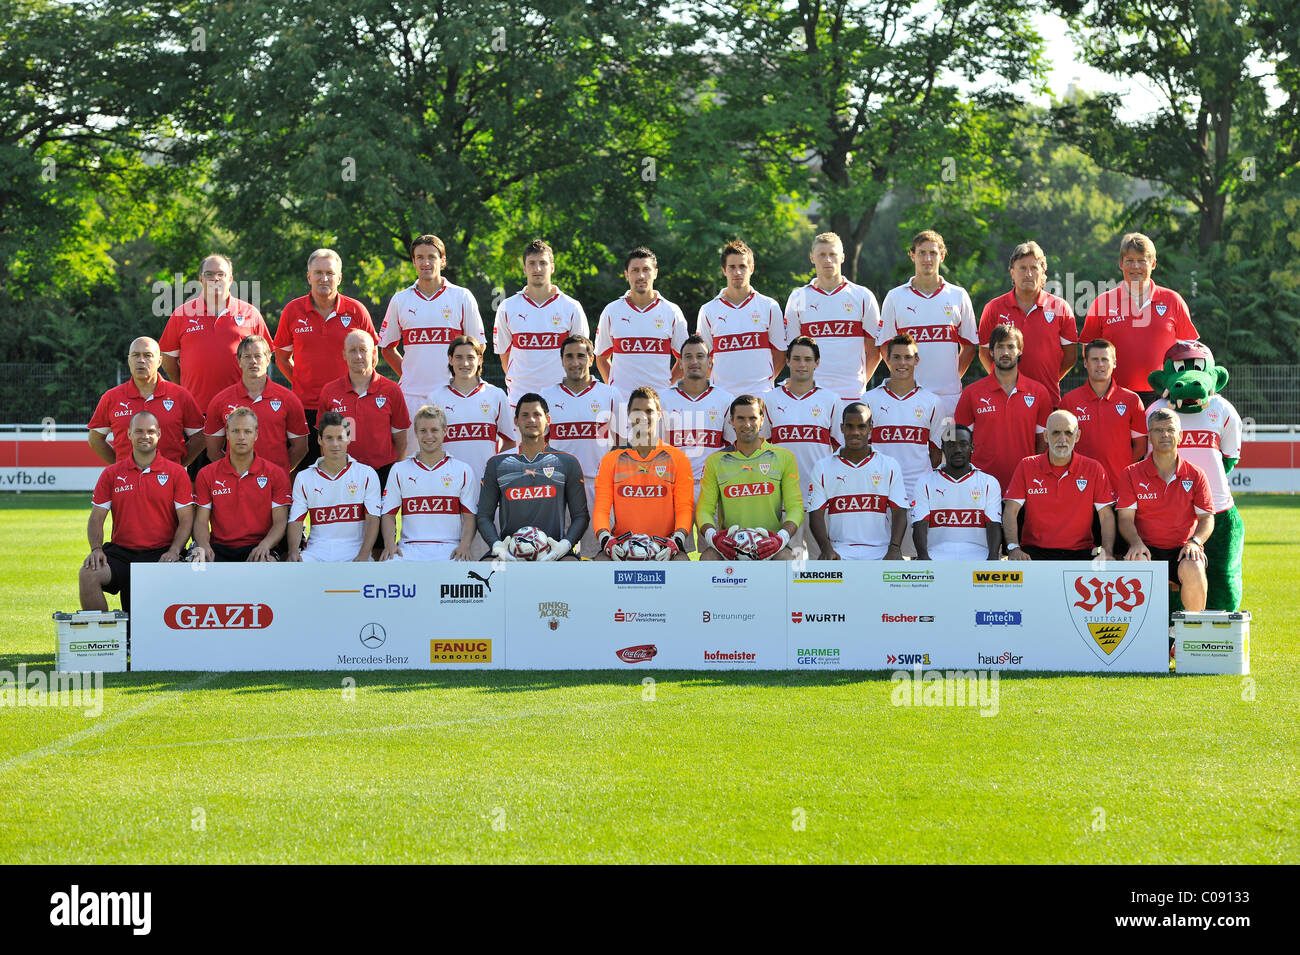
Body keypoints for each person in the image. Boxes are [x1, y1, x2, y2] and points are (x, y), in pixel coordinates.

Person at [272, 248, 378, 469]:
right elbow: (281, 357)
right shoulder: (292, 311)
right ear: (309, 276)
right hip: (305, 407)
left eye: (330, 272)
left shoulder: (357, 310)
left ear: (339, 277)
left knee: (350, 467)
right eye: (318, 272)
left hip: (348, 406)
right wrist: (299, 381)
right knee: (305, 469)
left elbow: (372, 354)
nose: (324, 278)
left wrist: (356, 388)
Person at [80, 411, 193, 614]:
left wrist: (175, 550)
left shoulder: (176, 473)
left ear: (159, 434)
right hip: (123, 554)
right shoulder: (112, 474)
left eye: (150, 431)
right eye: (139, 431)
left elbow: (186, 520)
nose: (145, 436)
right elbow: (96, 518)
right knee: (89, 574)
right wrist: (96, 549)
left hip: (162, 552)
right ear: (129, 434)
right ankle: (106, 640)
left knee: (152, 620)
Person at [378, 233, 486, 434]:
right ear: (413, 261)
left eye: (432, 256)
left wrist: (461, 378)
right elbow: (387, 348)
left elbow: (478, 347)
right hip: (411, 397)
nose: (425, 262)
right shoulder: (400, 300)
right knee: (411, 459)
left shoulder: (462, 296)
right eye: (420, 257)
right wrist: (410, 375)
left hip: (452, 393)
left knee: (453, 459)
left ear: (442, 260)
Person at [876, 230, 978, 424]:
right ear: (912, 255)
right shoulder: (895, 297)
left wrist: (951, 377)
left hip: (948, 398)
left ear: (942, 256)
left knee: (948, 452)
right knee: (911, 451)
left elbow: (970, 346)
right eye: (922, 252)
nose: (927, 258)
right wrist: (902, 375)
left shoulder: (958, 295)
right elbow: (884, 345)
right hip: (908, 395)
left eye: (933, 253)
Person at [1116, 408, 1214, 611]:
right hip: (1145, 547)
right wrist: (1135, 544)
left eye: (1170, 430)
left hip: (1182, 549)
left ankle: (1191, 633)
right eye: (1158, 430)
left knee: (1194, 565)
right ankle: (1143, 634)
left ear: (1181, 435)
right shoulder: (1131, 473)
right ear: (1149, 436)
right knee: (1137, 563)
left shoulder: (1195, 474)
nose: (1165, 435)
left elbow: (1206, 518)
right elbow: (1125, 519)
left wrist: (1195, 542)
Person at [1079, 232, 1197, 399]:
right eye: (1130, 261)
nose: (1135, 266)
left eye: (1142, 261)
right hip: (1114, 396)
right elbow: (1088, 351)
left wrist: (1183, 386)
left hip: (1164, 395)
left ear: (1153, 263)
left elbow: (1190, 352)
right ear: (1121, 263)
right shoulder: (1102, 303)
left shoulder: (1173, 300)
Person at [476, 393, 588, 561]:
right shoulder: (497, 464)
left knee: (571, 564)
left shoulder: (567, 462)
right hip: (510, 550)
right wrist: (497, 546)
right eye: (525, 415)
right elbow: (484, 515)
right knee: (486, 565)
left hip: (554, 551)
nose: (531, 420)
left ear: (548, 419)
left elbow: (581, 516)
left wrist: (564, 545)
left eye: (537, 414)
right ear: (516, 421)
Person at [158, 253, 272, 414]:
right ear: (200, 279)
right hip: (196, 408)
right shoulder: (181, 314)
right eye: (209, 274)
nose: (215, 279)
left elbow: (265, 357)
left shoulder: (250, 313)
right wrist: (185, 386)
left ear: (230, 279)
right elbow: (167, 360)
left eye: (221, 274)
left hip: (242, 410)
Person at [540, 334, 621, 558]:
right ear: (562, 360)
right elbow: (538, 445)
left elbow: (623, 444)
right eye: (569, 356)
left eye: (581, 356)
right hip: (558, 487)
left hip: (598, 487)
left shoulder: (610, 394)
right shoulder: (546, 396)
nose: (575, 362)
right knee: (556, 553)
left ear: (592, 359)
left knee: (598, 554)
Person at [760, 336, 841, 558]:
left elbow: (839, 451)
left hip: (821, 500)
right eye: (796, 359)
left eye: (807, 359)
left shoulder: (831, 400)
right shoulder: (769, 400)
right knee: (788, 565)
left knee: (822, 565)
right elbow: (762, 449)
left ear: (817, 363)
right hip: (783, 501)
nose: (802, 364)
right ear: (787, 361)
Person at [592, 387, 694, 561]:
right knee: (600, 563)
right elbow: (601, 508)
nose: (644, 417)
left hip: (664, 547)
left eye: (649, 411)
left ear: (659, 414)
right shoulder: (611, 459)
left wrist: (676, 540)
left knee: (683, 564)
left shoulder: (678, 458)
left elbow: (684, 508)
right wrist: (606, 540)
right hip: (622, 546)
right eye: (637, 411)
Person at [696, 395, 802, 561]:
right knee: (708, 557)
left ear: (762, 419)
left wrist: (781, 538)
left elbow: (795, 507)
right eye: (740, 418)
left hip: (771, 545)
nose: (747, 424)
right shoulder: (715, 461)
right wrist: (714, 538)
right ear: (731, 420)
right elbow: (704, 510)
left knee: (788, 558)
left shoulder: (784, 457)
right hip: (730, 547)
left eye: (753, 418)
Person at [1003, 410, 1116, 561]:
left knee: (1099, 560)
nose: (1062, 439)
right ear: (1045, 436)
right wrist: (1013, 548)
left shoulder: (1093, 468)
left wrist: (1107, 551)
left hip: (1082, 551)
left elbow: (1106, 515)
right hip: (1033, 552)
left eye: (1068, 433)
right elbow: (1010, 510)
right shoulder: (1027, 466)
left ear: (1077, 436)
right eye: (1056, 432)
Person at [782, 231, 882, 401]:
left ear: (842, 257)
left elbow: (875, 351)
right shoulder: (799, 298)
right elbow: (792, 352)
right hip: (811, 396)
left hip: (852, 396)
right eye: (822, 255)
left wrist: (859, 383)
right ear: (812, 257)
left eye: (832, 254)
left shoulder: (862, 296)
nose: (827, 260)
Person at [659, 335, 736, 551]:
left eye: (700, 356)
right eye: (688, 357)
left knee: (715, 552)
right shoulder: (662, 399)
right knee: (673, 552)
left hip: (711, 487)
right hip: (674, 487)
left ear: (710, 362)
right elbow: (656, 448)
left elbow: (732, 448)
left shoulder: (725, 399)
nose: (694, 361)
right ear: (680, 363)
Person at [978, 241, 1078, 405]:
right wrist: (1003, 380)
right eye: (1022, 268)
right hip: (1005, 399)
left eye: (1034, 268)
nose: (1028, 274)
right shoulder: (993, 308)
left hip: (1047, 398)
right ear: (1012, 273)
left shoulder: (1061, 307)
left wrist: (1049, 377)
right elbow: (984, 354)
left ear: (1043, 272)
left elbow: (1070, 356)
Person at [954, 324, 1051, 495]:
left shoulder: (1039, 393)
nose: (1005, 352)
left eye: (1011, 346)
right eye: (1000, 347)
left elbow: (1043, 444)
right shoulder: (972, 393)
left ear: (1020, 350)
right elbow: (960, 443)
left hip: (1024, 487)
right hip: (981, 487)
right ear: (991, 351)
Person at [493, 239, 590, 407]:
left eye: (543, 263)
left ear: (552, 267)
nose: (537, 269)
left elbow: (581, 357)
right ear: (524, 268)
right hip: (520, 400)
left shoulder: (571, 307)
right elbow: (505, 355)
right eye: (531, 263)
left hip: (562, 399)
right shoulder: (507, 307)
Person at [808, 403, 910, 560]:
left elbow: (899, 512)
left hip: (882, 551)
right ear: (841, 428)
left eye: (861, 426)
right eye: (849, 426)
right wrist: (826, 548)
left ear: (871, 428)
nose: (855, 432)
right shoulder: (822, 467)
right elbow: (815, 514)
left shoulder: (889, 465)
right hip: (840, 552)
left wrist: (895, 548)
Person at [379, 405, 479, 561]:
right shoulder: (399, 469)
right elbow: (388, 515)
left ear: (444, 432)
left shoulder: (462, 470)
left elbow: (470, 516)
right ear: (416, 433)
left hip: (450, 548)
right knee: (388, 566)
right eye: (423, 431)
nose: (429, 436)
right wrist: (390, 544)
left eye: (434, 430)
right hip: (409, 548)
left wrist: (464, 546)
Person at [192, 407, 291, 562]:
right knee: (198, 562)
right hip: (220, 547)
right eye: (236, 431)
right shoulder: (207, 474)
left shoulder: (275, 474)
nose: (241, 437)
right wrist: (204, 545)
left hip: (260, 545)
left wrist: (265, 545)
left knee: (266, 562)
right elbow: (201, 521)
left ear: (256, 434)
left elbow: (280, 521)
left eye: (247, 431)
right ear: (227, 433)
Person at [88, 337, 203, 467]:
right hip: (127, 483)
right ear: (129, 360)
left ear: (159, 361)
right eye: (135, 355)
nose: (141, 360)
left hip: (169, 481)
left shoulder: (180, 395)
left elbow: (200, 437)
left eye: (147, 355)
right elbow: (95, 439)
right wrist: (120, 466)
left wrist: (178, 467)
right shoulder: (111, 397)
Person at [318, 329, 410, 490]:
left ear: (374, 353)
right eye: (352, 351)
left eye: (363, 350)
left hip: (382, 473)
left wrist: (397, 473)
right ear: (344, 354)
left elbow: (401, 439)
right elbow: (324, 439)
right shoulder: (329, 391)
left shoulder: (392, 390)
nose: (358, 356)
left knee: (383, 517)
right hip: (342, 473)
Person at [594, 246, 689, 400]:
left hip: (660, 404)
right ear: (626, 274)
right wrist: (615, 391)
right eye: (635, 270)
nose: (641, 275)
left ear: (656, 273)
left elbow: (684, 360)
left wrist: (667, 388)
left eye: (646, 269)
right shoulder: (611, 311)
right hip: (623, 404)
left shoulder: (672, 311)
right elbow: (602, 357)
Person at [696, 239, 787, 396]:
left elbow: (780, 353)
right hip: (722, 397)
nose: (737, 272)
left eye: (742, 266)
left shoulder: (769, 306)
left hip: (761, 396)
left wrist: (764, 383)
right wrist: (721, 384)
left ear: (751, 268)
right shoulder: (708, 310)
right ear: (724, 270)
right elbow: (703, 358)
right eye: (732, 267)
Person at [205, 334, 309, 473]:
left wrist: (278, 473)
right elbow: (213, 451)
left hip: (276, 486)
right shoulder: (220, 401)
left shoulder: (288, 399)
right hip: (238, 486)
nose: (253, 361)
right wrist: (234, 474)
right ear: (239, 361)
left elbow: (300, 448)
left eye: (258, 356)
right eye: (247, 357)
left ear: (268, 359)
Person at [287, 412, 382, 562]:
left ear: (349, 438)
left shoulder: (366, 474)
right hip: (316, 551)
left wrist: (364, 554)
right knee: (294, 570)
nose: (335, 444)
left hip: (355, 550)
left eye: (340, 438)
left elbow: (373, 519)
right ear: (319, 440)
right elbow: (296, 520)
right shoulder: (304, 477)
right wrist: (293, 551)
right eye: (329, 438)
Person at [1059, 338, 1148, 493]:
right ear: (1086, 363)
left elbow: (1141, 447)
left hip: (1119, 487)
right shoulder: (1069, 401)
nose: (1100, 364)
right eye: (1095, 359)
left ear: (1114, 363)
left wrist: (1122, 470)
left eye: (1105, 359)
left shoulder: (1132, 400)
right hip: (1079, 486)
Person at [862, 333, 944, 502]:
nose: (902, 363)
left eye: (908, 357)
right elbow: (862, 449)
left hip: (918, 492)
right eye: (897, 357)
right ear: (888, 359)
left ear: (916, 360)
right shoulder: (868, 400)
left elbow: (936, 453)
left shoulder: (933, 402)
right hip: (878, 490)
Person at [424, 336, 517, 483]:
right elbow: (429, 444)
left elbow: (510, 441)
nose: (465, 363)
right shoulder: (436, 398)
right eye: (459, 357)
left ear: (479, 360)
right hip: (448, 484)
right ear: (450, 359)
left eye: (470, 357)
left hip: (486, 483)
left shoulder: (496, 395)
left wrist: (495, 470)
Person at [911, 424, 1003, 561]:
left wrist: (993, 558)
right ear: (943, 448)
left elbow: (993, 524)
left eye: (963, 444)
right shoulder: (924, 483)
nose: (957, 450)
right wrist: (924, 557)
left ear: (972, 447)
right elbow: (920, 524)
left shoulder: (989, 482)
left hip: (979, 555)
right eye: (951, 445)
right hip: (935, 555)